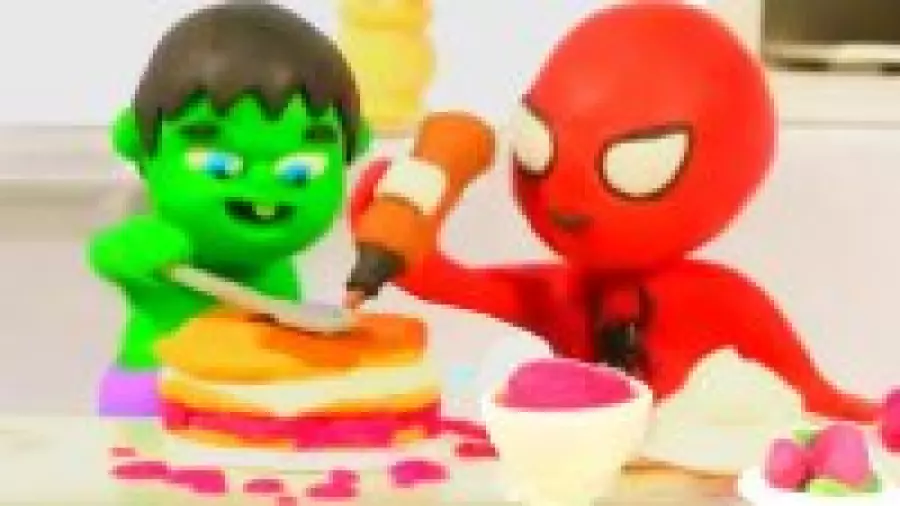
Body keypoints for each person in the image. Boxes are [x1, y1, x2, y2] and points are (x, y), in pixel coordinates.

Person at [347, 1, 874, 421]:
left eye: (636, 166)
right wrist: (399, 214)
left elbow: (816, 396)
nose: (565, 196)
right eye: (536, 151)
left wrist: (870, 419)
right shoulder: (561, 294)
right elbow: (440, 277)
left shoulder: (725, 305)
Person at [89, 1, 368, 416]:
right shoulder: (164, 255)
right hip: (156, 395)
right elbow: (116, 253)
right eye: (219, 166)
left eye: (299, 171)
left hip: (264, 400)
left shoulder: (276, 270)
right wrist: (136, 251)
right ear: (139, 146)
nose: (262, 188)